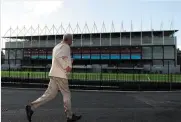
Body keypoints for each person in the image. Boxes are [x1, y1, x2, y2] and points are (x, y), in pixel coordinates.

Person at [25, 34, 82, 122]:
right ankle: (70, 117)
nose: (72, 42)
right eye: (72, 40)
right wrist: (67, 66)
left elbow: (59, 57)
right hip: (61, 75)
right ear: (69, 40)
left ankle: (32, 107)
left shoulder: (56, 47)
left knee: (50, 94)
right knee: (66, 95)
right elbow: (59, 57)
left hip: (54, 73)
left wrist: (69, 61)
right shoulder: (66, 46)